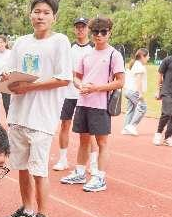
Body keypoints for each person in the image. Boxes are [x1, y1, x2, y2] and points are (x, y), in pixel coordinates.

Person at [0, 0, 71, 217]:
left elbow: (63, 78)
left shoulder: (60, 42)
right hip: (18, 114)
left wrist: (29, 86)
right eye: (37, 11)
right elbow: (10, 72)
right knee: (21, 167)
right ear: (30, 14)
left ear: (54, 17)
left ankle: (42, 216)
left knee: (39, 170)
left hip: (42, 118)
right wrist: (7, 78)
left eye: (46, 12)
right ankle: (27, 209)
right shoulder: (21, 42)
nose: (40, 16)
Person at [61, 16, 125, 193]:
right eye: (96, 31)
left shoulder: (114, 54)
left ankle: (99, 177)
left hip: (101, 105)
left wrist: (97, 88)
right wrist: (80, 85)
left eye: (103, 32)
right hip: (83, 102)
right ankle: (80, 172)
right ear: (91, 32)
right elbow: (76, 77)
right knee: (83, 139)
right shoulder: (86, 54)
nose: (99, 35)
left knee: (102, 142)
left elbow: (120, 81)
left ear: (109, 33)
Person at [53, 16, 96, 173]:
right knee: (65, 125)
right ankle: (63, 159)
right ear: (74, 29)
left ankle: (93, 163)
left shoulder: (94, 48)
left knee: (89, 131)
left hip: (87, 95)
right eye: (78, 27)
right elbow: (65, 69)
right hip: (68, 94)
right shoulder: (69, 48)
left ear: (88, 29)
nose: (80, 29)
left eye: (83, 26)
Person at [122, 48, 149, 136]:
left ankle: (125, 129)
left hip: (128, 90)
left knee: (131, 109)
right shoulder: (139, 66)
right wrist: (140, 93)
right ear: (142, 56)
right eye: (147, 56)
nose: (148, 58)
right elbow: (138, 80)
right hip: (134, 91)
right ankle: (131, 126)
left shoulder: (135, 64)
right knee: (143, 107)